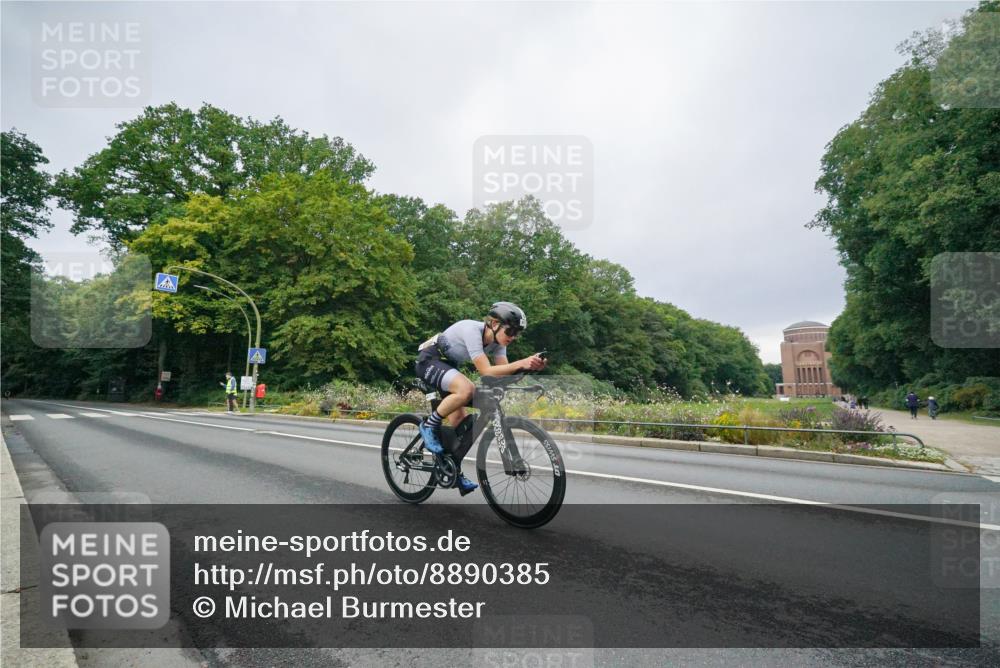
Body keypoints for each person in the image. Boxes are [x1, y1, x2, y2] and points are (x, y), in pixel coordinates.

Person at [415, 302, 546, 495]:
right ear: (494, 323)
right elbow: (485, 370)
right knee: (467, 389)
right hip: (429, 360)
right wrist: (522, 362)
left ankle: (452, 469)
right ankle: (429, 426)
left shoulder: (498, 344)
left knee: (461, 422)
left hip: (449, 367)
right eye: (511, 331)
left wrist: (527, 369)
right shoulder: (472, 330)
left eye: (517, 333)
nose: (513, 337)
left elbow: (501, 375)